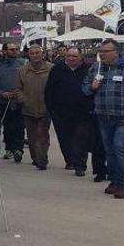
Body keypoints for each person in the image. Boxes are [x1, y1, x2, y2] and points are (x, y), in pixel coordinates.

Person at [82, 39, 124, 199]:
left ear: (116, 52)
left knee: (119, 148)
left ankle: (121, 183)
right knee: (109, 151)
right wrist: (92, 87)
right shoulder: (96, 68)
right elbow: (84, 88)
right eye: (101, 51)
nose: (102, 54)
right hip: (103, 117)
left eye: (106, 51)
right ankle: (113, 180)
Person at [45, 47, 105, 178]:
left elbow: (93, 88)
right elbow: (49, 90)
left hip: (82, 111)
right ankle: (70, 160)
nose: (71, 59)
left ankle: (80, 165)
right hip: (61, 112)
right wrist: (51, 108)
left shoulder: (88, 69)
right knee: (64, 138)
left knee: (80, 139)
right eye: (68, 56)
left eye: (74, 56)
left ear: (81, 58)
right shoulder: (57, 70)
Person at [15, 45, 54, 170]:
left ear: (42, 54)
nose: (35, 55)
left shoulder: (51, 69)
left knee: (42, 135)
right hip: (28, 108)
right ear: (29, 55)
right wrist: (22, 98)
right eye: (32, 53)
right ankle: (35, 157)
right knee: (32, 137)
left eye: (37, 53)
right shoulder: (23, 71)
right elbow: (18, 88)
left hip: (45, 108)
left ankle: (42, 160)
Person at [0, 43, 26, 163]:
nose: (15, 51)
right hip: (3, 101)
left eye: (16, 49)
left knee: (20, 125)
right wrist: (2, 93)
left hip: (19, 100)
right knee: (7, 125)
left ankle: (19, 149)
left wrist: (20, 91)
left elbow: (27, 81)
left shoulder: (23, 64)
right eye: (12, 49)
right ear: (5, 51)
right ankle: (9, 149)